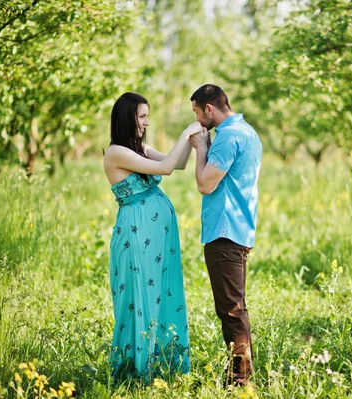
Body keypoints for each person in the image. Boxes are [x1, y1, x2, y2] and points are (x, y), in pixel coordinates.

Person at [103, 92, 201, 382]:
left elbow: (178, 163)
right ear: (127, 118)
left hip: (156, 237)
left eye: (147, 116)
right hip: (136, 234)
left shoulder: (139, 148)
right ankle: (134, 370)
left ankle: (165, 363)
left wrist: (192, 139)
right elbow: (166, 168)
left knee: (161, 292)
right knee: (137, 296)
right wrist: (186, 132)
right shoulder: (117, 153)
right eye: (142, 116)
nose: (146, 122)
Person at [187, 84, 262, 386]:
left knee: (231, 310)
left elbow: (206, 184)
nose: (197, 120)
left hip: (225, 232)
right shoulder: (247, 132)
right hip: (239, 230)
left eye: (196, 112)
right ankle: (243, 375)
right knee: (236, 307)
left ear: (209, 108)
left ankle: (239, 382)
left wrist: (201, 147)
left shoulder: (228, 137)